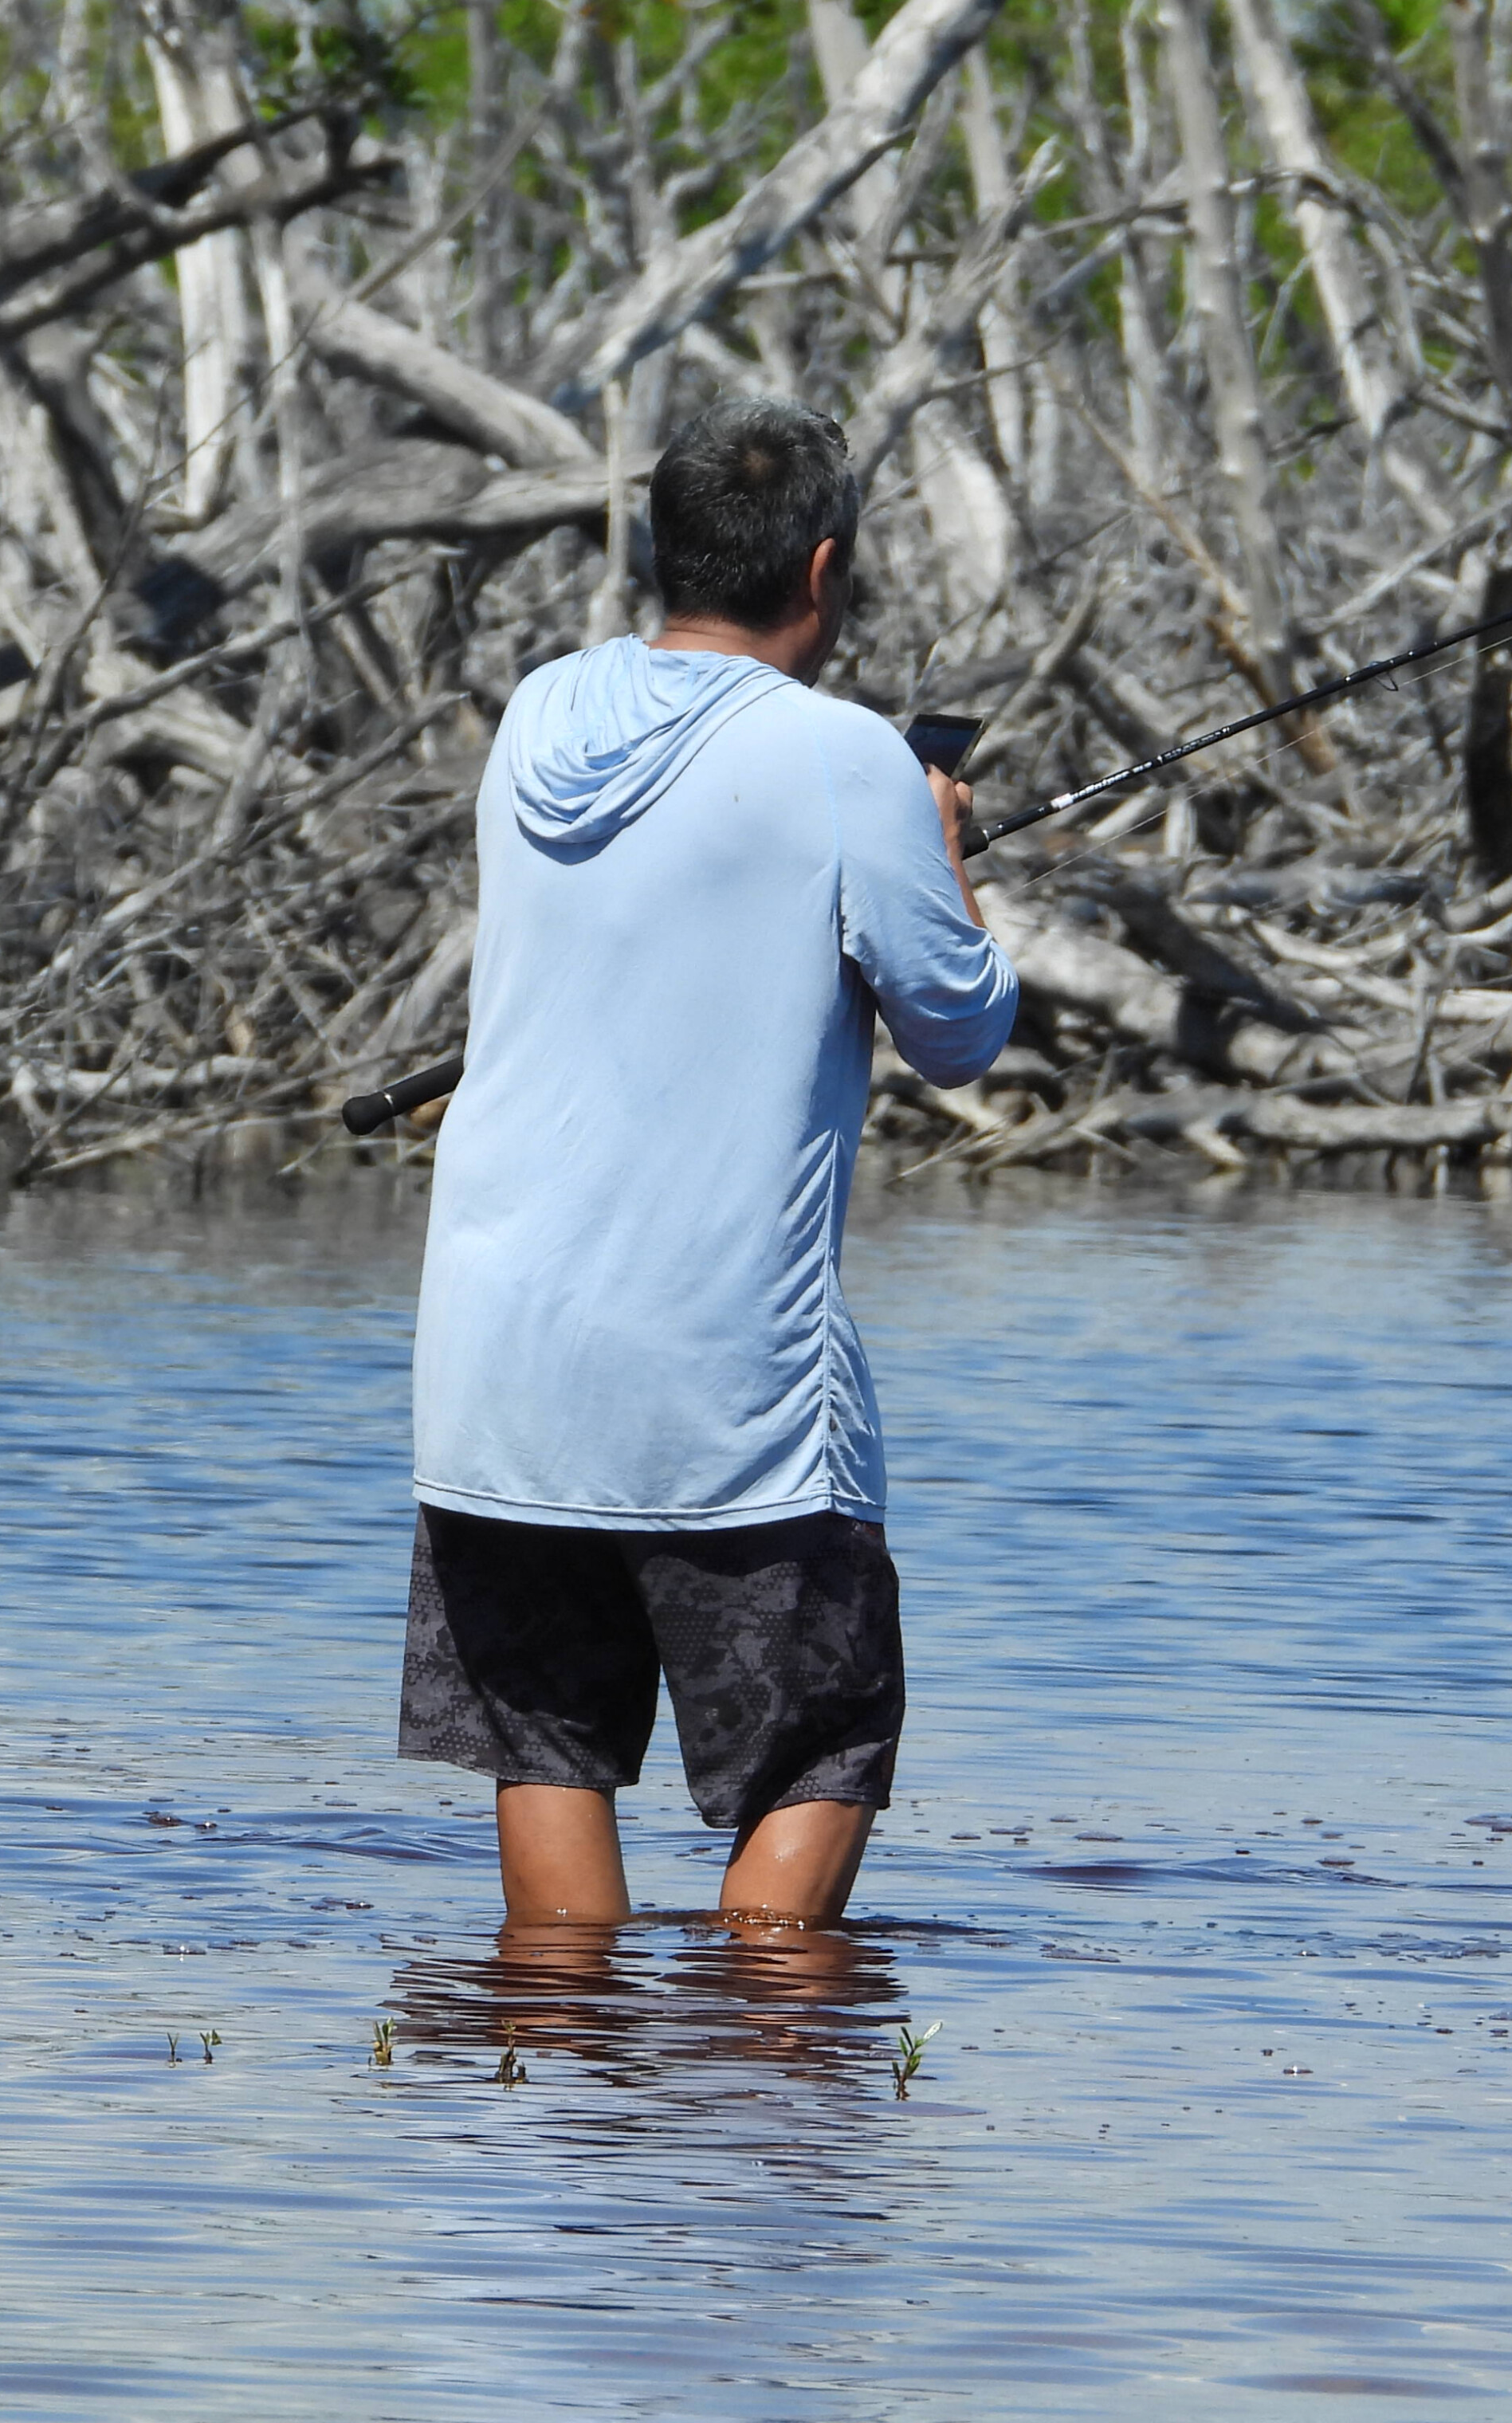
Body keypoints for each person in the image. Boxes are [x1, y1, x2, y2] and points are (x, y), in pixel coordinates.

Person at [397, 396, 1019, 1927]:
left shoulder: (542, 715)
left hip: (498, 1373)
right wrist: (938, 846)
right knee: (821, 1752)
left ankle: (563, 2068)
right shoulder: (848, 758)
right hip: (728, 1391)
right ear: (824, 569)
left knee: (548, 1745)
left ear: (662, 551)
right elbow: (959, 1029)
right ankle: (757, 2086)